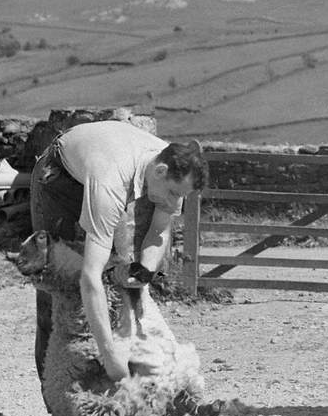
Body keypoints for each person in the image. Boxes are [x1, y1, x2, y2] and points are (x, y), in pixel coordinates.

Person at [28, 120, 208, 393]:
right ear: (160, 172)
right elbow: (90, 276)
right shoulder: (111, 183)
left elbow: (159, 229)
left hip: (108, 168)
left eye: (179, 197)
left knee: (122, 277)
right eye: (172, 194)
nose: (174, 204)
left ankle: (125, 389)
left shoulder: (173, 168)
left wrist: (144, 271)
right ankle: (62, 397)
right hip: (60, 178)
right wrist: (110, 356)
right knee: (61, 287)